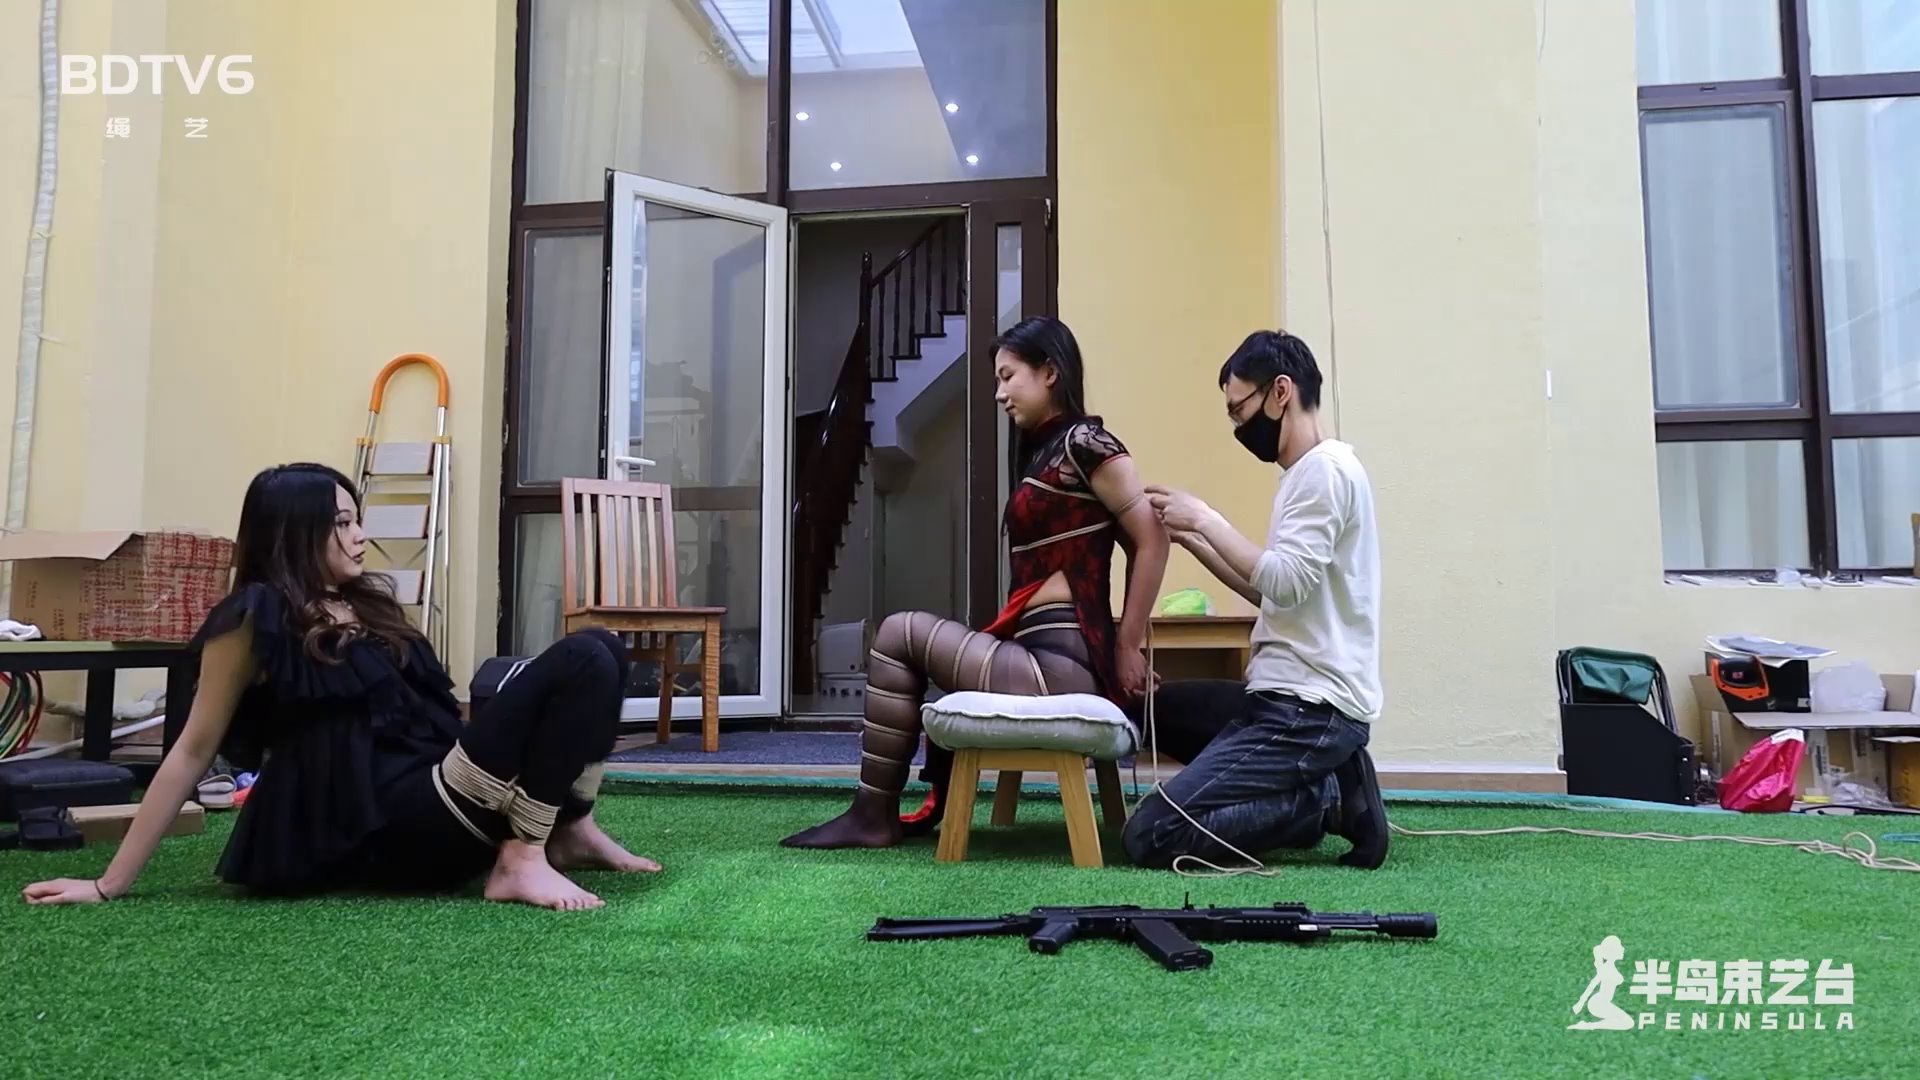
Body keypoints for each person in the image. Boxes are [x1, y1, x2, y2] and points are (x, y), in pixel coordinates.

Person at [21, 463, 658, 912]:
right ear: (294, 532)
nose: (360, 536)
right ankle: (519, 860)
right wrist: (108, 883)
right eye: (343, 523)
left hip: (437, 788)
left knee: (602, 647)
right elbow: (192, 749)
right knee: (581, 655)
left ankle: (567, 828)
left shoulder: (369, 605)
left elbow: (429, 713)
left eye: (358, 520)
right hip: (380, 821)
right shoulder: (255, 616)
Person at [782, 316, 1168, 848]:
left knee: (896, 634)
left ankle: (872, 815)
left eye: (1009, 377)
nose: (999, 393)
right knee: (901, 639)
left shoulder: (1085, 442)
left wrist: (1127, 645)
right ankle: (873, 813)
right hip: (1040, 657)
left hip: (1060, 667)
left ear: (1050, 372)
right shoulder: (1047, 450)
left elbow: (1153, 539)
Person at [1128, 330, 1388, 870]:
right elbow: (1272, 590)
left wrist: (1206, 519)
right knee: (1154, 712)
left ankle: (1327, 800)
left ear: (1280, 392)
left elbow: (1285, 581)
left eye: (1238, 409)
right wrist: (1192, 540)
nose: (1237, 427)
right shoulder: (1304, 475)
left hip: (1308, 710)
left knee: (1150, 835)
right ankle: (1335, 777)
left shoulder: (1324, 472)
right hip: (1280, 696)